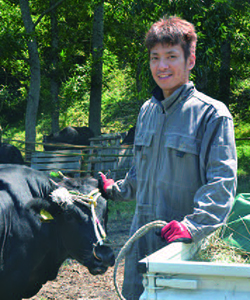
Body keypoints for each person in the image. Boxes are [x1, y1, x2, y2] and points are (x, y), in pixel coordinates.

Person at [99, 15, 237, 300]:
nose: (162, 66)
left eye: (171, 56)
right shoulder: (147, 111)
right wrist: (114, 190)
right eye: (155, 57)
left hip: (183, 249)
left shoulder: (212, 115)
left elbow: (222, 183)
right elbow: (140, 173)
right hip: (141, 243)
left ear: (190, 60)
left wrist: (193, 226)